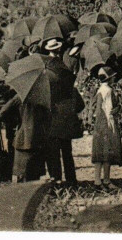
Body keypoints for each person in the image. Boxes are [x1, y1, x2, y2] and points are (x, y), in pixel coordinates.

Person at [46, 54, 84, 184]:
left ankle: (56, 179)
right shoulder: (72, 89)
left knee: (54, 155)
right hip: (67, 127)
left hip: (53, 126)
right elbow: (81, 106)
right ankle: (71, 180)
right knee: (68, 154)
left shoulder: (49, 90)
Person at [91, 64, 122, 187]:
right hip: (107, 123)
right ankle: (106, 180)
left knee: (99, 152)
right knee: (107, 154)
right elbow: (110, 110)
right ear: (109, 78)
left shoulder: (99, 89)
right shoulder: (109, 91)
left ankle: (97, 180)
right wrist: (118, 108)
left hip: (99, 123)